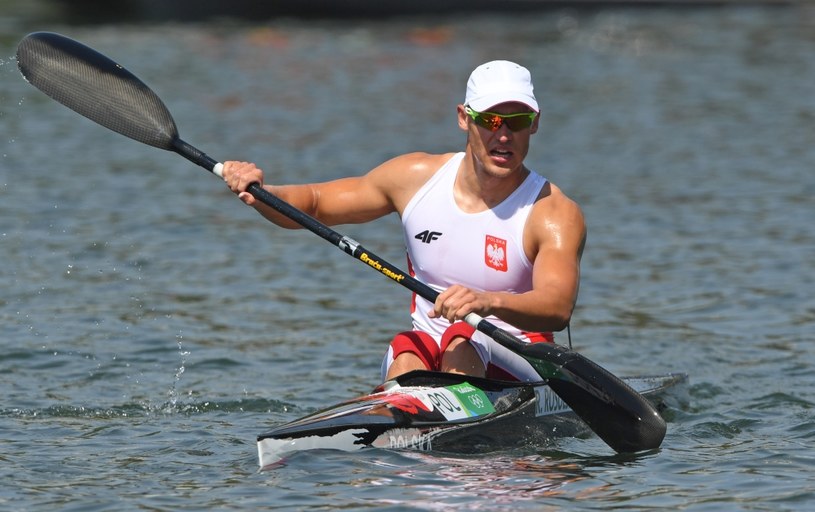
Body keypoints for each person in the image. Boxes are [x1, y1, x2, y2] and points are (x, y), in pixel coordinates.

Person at [222, 60, 586, 383]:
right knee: (406, 350)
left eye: (517, 122)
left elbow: (557, 307)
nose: (503, 134)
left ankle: (450, 427)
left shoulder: (552, 211)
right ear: (464, 117)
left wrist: (487, 301)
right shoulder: (414, 179)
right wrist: (260, 192)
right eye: (490, 120)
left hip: (521, 357)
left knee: (463, 338)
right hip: (428, 353)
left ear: (534, 124)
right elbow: (314, 204)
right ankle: (403, 430)